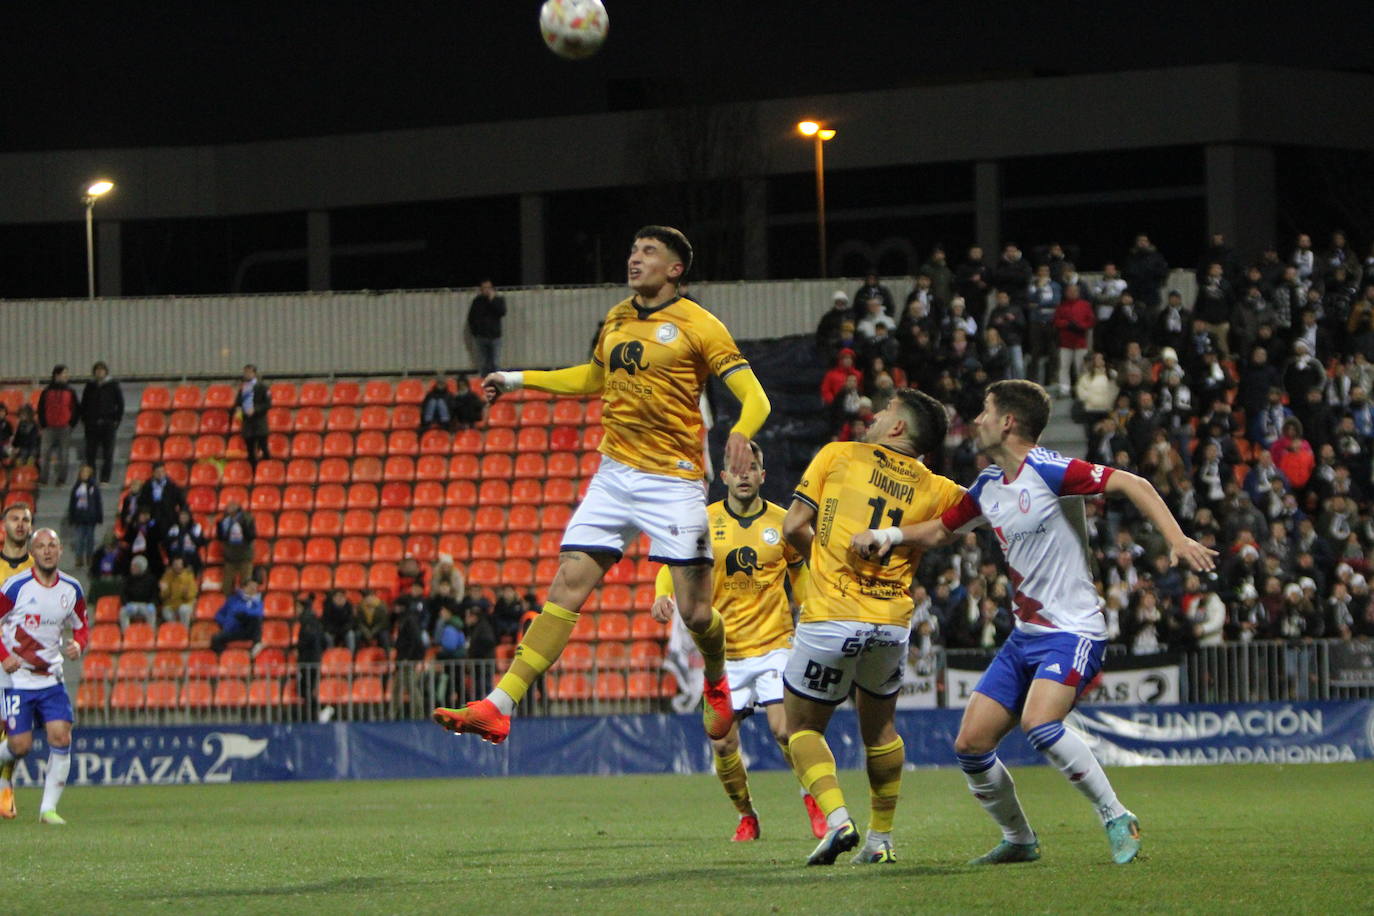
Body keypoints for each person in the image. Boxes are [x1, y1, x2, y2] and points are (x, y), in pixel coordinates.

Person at [853, 379, 1216, 866]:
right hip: (1025, 638)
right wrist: (889, 533)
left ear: (1007, 422)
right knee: (971, 745)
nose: (976, 420)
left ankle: (1115, 815)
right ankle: (1020, 840)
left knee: (1040, 724)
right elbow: (941, 529)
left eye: (985, 410)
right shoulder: (987, 486)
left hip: (1073, 631)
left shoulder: (1048, 470)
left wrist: (1176, 540)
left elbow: (1135, 483)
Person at [433, 225, 771, 747]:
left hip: (673, 481)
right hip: (614, 475)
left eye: (649, 252)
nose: (635, 259)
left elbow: (757, 399)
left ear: (675, 268)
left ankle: (717, 679)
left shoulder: (701, 326)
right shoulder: (616, 316)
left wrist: (742, 433)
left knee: (697, 612)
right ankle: (498, 707)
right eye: (633, 249)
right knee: (565, 586)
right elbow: (593, 380)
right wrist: (519, 378)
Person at [781, 389, 964, 866]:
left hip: (831, 616)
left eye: (884, 412)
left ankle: (838, 819)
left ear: (898, 428)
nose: (875, 416)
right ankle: (881, 840)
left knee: (799, 727)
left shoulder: (838, 454)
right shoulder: (937, 486)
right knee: (880, 729)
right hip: (890, 624)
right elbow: (981, 514)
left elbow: (794, 525)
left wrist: (823, 558)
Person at [650, 442, 825, 843]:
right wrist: (664, 592)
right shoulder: (705, 521)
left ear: (762, 475)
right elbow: (671, 562)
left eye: (752, 468)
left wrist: (812, 608)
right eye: (735, 468)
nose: (743, 474)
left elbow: (799, 572)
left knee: (787, 730)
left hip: (776, 644)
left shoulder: (784, 522)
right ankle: (747, 815)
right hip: (724, 655)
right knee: (723, 739)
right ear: (724, 476)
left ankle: (813, 801)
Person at [0, 528, 88, 824]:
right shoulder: (15, 587)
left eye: (53, 546)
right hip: (19, 680)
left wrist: (79, 643)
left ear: (60, 551)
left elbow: (82, 625)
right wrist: (4, 656)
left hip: (51, 678)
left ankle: (48, 810)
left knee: (61, 735)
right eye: (42, 546)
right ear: (32, 552)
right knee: (19, 747)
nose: (48, 551)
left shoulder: (72, 588)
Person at [0, 503, 34, 818]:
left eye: (25, 520)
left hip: (22, 664)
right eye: (15, 519)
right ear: (4, 525)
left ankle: (5, 790)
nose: (21, 524)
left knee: (14, 733)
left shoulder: (38, 567)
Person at [79, 360, 124, 483]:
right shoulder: (89, 386)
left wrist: (117, 420)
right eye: (97, 370)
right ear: (94, 372)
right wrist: (84, 419)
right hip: (91, 424)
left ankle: (105, 478)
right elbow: (84, 404)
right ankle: (91, 478)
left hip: (108, 424)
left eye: (102, 370)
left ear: (106, 372)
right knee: (90, 454)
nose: (99, 372)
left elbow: (120, 404)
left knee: (108, 453)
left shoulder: (113, 385)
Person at [36, 365, 80, 486]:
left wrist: (71, 424)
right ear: (57, 375)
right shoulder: (46, 391)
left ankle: (61, 479)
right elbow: (41, 408)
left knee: (64, 455)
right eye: (64, 373)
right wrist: (43, 423)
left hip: (64, 428)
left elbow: (76, 409)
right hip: (48, 428)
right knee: (45, 455)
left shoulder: (71, 391)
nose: (67, 376)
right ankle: (43, 479)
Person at [234, 364, 272, 468]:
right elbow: (238, 401)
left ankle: (267, 470)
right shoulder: (243, 388)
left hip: (259, 423)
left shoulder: (263, 387)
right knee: (250, 451)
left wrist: (255, 409)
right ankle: (253, 472)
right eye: (245, 372)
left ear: (254, 373)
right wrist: (238, 408)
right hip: (248, 424)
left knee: (264, 448)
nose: (247, 374)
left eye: (249, 372)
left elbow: (267, 404)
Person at [211, 577, 264, 651]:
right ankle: (223, 658)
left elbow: (258, 613)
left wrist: (243, 612)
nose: (253, 589)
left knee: (254, 618)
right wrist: (225, 622)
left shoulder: (257, 602)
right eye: (251, 586)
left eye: (255, 587)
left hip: (247, 630)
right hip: (232, 630)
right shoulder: (233, 599)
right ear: (244, 587)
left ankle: (257, 644)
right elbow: (219, 614)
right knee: (216, 638)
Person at [467, 279, 507, 377]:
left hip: (495, 337)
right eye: (484, 288)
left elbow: (502, 312)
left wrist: (492, 300)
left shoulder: (498, 299)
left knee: (495, 363)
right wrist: (475, 332)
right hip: (481, 337)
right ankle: (483, 383)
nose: (487, 290)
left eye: (488, 288)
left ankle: (497, 383)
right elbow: (471, 318)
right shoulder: (477, 301)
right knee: (483, 363)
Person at [216, 501, 257, 594]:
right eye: (229, 505)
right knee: (227, 586)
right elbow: (221, 537)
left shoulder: (247, 518)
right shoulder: (225, 520)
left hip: (245, 556)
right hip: (230, 556)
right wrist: (218, 525)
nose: (230, 507)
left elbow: (251, 536)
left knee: (246, 585)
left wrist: (241, 524)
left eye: (233, 505)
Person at [66, 464, 102, 567]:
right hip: (80, 517)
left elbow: (98, 502)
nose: (85, 475)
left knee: (90, 538)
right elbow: (72, 503)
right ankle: (79, 558)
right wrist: (72, 516)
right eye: (83, 472)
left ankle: (89, 557)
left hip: (91, 517)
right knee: (79, 538)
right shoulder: (76, 487)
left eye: (87, 472)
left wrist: (99, 516)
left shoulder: (94, 487)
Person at [119, 555, 161, 631]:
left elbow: (155, 595)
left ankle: (151, 633)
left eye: (135, 566)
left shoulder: (151, 579)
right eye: (132, 566)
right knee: (123, 612)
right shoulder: (128, 579)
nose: (132, 568)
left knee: (152, 612)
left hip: (146, 605)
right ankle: (126, 634)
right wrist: (126, 604)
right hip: (132, 605)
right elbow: (123, 594)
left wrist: (152, 604)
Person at [158, 555, 199, 627]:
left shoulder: (189, 576)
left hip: (186, 603)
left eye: (179, 564)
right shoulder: (167, 576)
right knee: (166, 611)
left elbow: (193, 594)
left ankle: (184, 631)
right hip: (171, 604)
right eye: (175, 564)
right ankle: (174, 630)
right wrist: (164, 590)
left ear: (183, 565)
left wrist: (186, 593)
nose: (177, 566)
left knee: (183, 610)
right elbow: (163, 597)